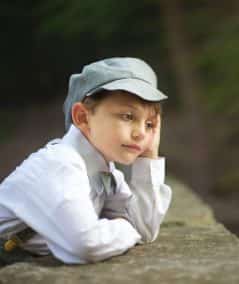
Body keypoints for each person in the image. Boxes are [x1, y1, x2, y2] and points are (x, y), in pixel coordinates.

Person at [0, 57, 172, 264]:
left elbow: (144, 229)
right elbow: (86, 244)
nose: (141, 134)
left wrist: (149, 156)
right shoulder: (60, 164)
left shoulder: (106, 173)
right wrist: (126, 228)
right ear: (82, 117)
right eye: (127, 116)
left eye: (149, 124)